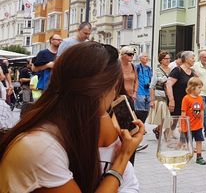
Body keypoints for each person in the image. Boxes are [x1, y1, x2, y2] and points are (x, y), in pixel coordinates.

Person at [0, 42, 145, 192]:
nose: (115, 95)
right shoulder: (40, 146)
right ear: (106, 89)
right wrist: (124, 156)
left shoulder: (79, 123)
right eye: (116, 87)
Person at [119, 46, 147, 153]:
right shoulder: (117, 65)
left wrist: (135, 93)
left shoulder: (132, 66)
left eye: (133, 54)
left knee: (132, 119)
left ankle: (133, 142)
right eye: (129, 54)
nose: (132, 56)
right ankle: (128, 142)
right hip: (120, 97)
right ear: (123, 54)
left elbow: (136, 80)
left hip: (130, 97)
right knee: (126, 120)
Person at [181, 77, 206, 165]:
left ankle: (199, 157)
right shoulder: (186, 98)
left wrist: (202, 122)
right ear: (192, 87)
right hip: (188, 126)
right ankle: (186, 155)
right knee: (188, 142)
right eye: (199, 88)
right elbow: (183, 113)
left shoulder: (200, 98)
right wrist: (182, 125)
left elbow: (202, 111)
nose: (200, 90)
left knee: (199, 141)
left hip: (198, 125)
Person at [147, 51, 171, 139]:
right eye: (166, 58)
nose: (168, 60)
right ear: (161, 60)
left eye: (169, 58)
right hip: (160, 96)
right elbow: (152, 86)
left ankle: (159, 130)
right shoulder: (157, 71)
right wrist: (152, 101)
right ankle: (159, 131)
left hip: (169, 97)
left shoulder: (171, 69)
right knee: (163, 118)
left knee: (168, 118)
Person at [167, 51, 196, 116]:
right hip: (178, 102)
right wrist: (171, 100)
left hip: (189, 103)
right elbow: (168, 85)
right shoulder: (177, 70)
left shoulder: (193, 72)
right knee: (174, 123)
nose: (194, 60)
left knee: (187, 123)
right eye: (192, 58)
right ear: (186, 59)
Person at [135, 52, 152, 123]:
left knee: (147, 111)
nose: (146, 58)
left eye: (147, 56)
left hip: (148, 93)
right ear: (140, 58)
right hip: (140, 92)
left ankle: (143, 125)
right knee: (139, 111)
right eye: (144, 56)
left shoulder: (149, 68)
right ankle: (140, 126)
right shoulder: (137, 67)